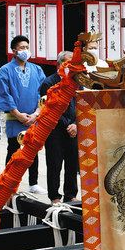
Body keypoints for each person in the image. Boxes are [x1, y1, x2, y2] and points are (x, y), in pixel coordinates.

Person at [0, 35, 47, 195]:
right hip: (15, 117)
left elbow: (44, 93)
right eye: (22, 47)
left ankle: (34, 182)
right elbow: (4, 95)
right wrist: (17, 114)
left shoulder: (37, 69)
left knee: (33, 149)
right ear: (14, 50)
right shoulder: (5, 71)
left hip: (34, 117)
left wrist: (37, 113)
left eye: (27, 47)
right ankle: (8, 182)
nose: (25, 50)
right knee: (13, 149)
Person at [39, 51, 79, 203]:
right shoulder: (49, 83)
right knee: (54, 163)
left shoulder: (77, 81)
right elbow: (48, 108)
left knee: (72, 163)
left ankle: (70, 194)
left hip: (73, 130)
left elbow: (81, 105)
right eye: (69, 62)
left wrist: (75, 124)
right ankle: (54, 196)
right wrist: (67, 124)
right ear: (60, 63)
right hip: (55, 129)